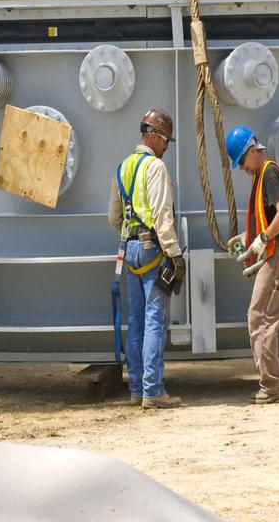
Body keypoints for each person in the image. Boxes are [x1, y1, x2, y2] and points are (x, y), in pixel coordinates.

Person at [107, 108, 185, 409]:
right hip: (153, 248)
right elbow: (163, 216)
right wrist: (175, 254)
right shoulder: (155, 168)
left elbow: (114, 217)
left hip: (129, 249)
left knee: (135, 321)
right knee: (155, 321)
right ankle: (154, 391)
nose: (166, 147)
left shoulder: (123, 168)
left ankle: (137, 388)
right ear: (155, 136)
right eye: (166, 141)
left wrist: (132, 234)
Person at [226, 125, 279, 405]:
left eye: (241, 161)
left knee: (260, 318)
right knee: (275, 321)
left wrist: (263, 238)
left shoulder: (269, 173)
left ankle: (272, 385)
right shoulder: (261, 176)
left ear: (251, 151)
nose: (241, 168)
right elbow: (268, 218)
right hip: (275, 253)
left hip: (277, 255)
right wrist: (248, 236)